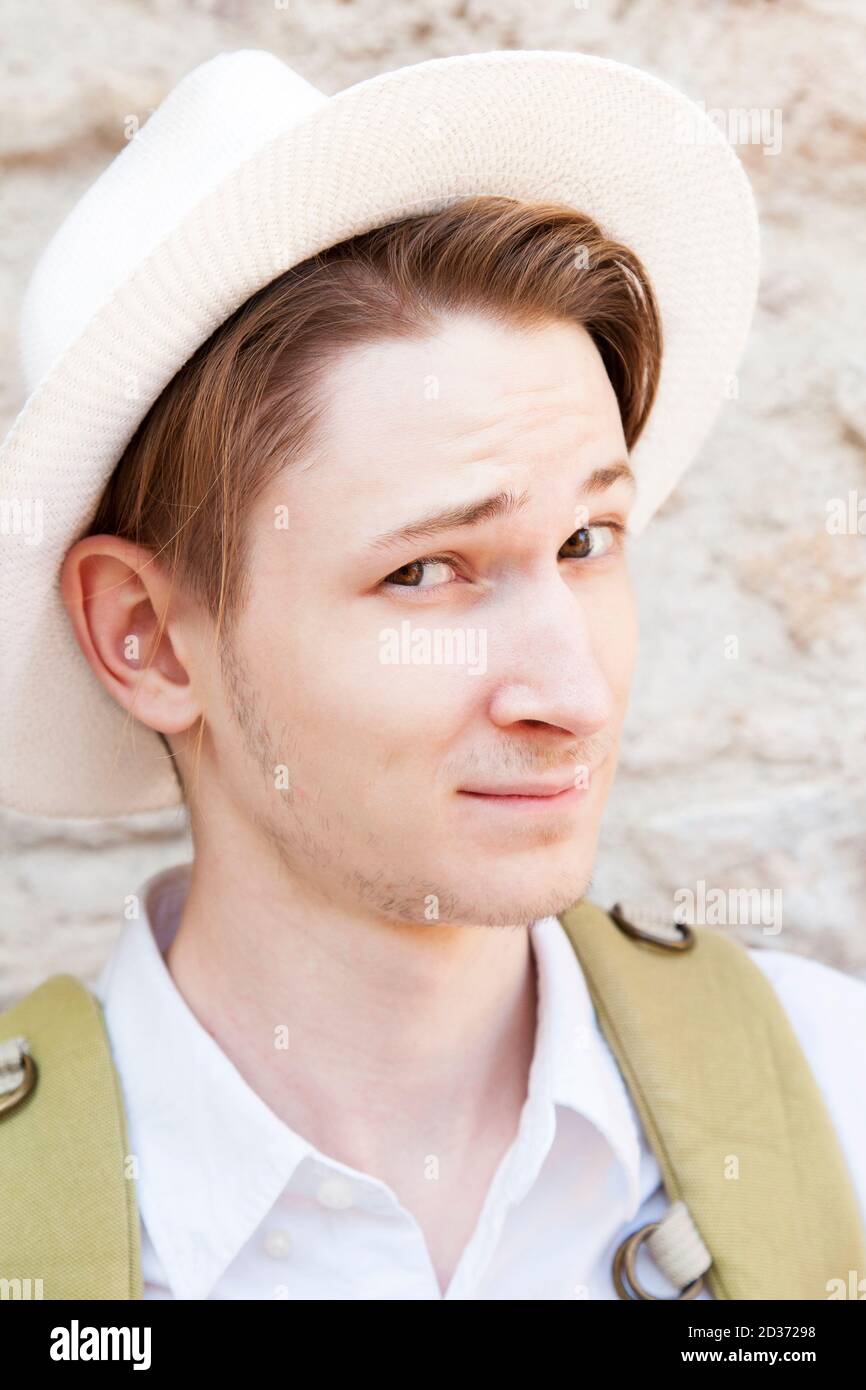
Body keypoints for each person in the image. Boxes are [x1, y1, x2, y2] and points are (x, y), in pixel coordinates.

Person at [1, 48, 863, 1302]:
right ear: (146, 633)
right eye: (428, 573)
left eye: (584, 544)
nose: (572, 697)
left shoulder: (833, 1098)